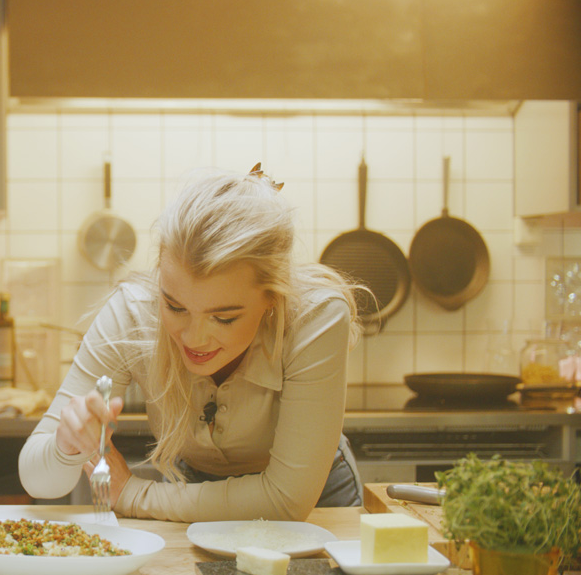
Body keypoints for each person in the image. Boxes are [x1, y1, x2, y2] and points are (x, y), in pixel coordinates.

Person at [18, 164, 365, 523]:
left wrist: (133, 494)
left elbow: (285, 502)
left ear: (272, 298)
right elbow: (37, 481)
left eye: (224, 317)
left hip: (319, 508)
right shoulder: (134, 311)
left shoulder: (315, 317)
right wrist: (65, 447)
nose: (194, 338)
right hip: (189, 493)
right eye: (175, 306)